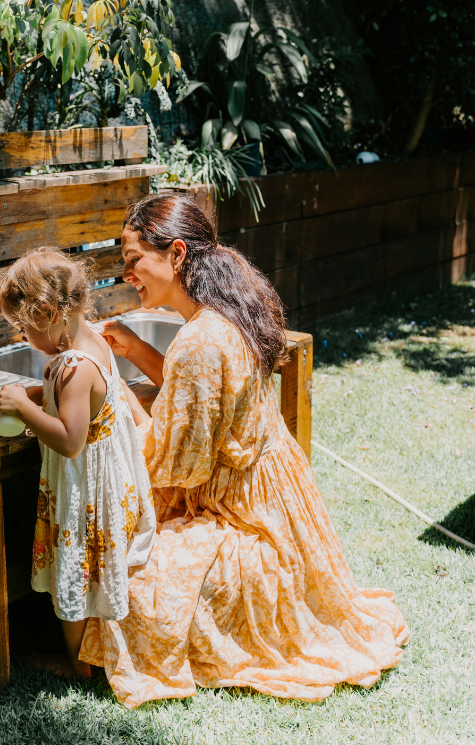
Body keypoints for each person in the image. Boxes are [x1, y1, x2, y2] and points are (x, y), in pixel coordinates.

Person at [80, 193, 409, 708]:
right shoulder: (222, 312)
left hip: (245, 520)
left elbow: (168, 461)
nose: (126, 274)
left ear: (177, 254)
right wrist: (137, 351)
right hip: (276, 506)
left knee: (132, 582)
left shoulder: (198, 341)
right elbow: (202, 400)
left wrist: (107, 381)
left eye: (132, 259)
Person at [0, 247, 157, 678]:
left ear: (47, 312)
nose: (24, 338)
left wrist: (23, 408)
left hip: (80, 486)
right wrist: (34, 396)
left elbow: (69, 439)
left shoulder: (71, 367)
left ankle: (76, 664)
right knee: (93, 570)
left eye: (25, 329)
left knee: (73, 571)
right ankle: (93, 650)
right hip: (107, 483)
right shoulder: (94, 343)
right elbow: (85, 401)